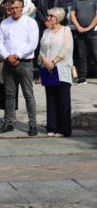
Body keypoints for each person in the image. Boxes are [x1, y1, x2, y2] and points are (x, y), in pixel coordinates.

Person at [0, 0, 39, 136]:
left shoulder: (30, 22)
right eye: (11, 8)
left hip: (25, 63)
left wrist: (17, 55)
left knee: (28, 94)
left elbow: (32, 44)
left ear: (22, 7)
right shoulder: (4, 23)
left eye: (16, 8)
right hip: (8, 63)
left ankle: (32, 124)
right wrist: (7, 56)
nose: (14, 10)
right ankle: (8, 122)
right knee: (9, 94)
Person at [39, 7, 73, 137]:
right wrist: (46, 62)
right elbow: (42, 49)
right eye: (48, 16)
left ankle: (64, 129)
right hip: (48, 69)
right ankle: (52, 128)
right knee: (51, 98)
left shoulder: (66, 30)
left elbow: (66, 48)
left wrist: (54, 61)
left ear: (58, 17)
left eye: (51, 16)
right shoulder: (46, 31)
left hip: (61, 68)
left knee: (63, 100)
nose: (48, 18)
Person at [70, 0, 97, 85]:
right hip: (80, 31)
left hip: (93, 31)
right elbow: (72, 15)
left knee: (95, 54)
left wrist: (89, 27)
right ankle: (82, 77)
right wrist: (78, 27)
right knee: (82, 55)